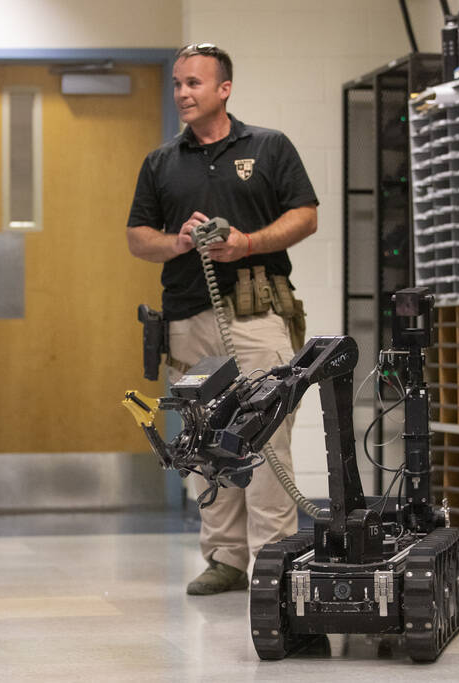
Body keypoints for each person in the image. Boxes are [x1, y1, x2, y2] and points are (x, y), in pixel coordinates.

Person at [126, 43, 319, 595]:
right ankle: (225, 558)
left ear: (224, 90)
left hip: (256, 314)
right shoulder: (161, 162)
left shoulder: (268, 147)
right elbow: (138, 238)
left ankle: (272, 561)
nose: (183, 93)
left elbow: (305, 215)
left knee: (264, 436)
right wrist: (179, 241)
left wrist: (247, 243)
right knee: (204, 439)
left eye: (194, 84)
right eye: (177, 84)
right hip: (189, 318)